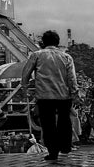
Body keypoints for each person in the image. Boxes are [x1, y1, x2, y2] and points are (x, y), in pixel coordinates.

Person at [21, 30, 80, 160]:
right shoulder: (66, 57)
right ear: (57, 43)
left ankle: (53, 152)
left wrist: (25, 89)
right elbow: (72, 78)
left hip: (44, 96)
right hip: (64, 96)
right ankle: (65, 147)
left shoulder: (36, 55)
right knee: (64, 121)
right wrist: (75, 94)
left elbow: (25, 73)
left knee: (48, 124)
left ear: (43, 42)